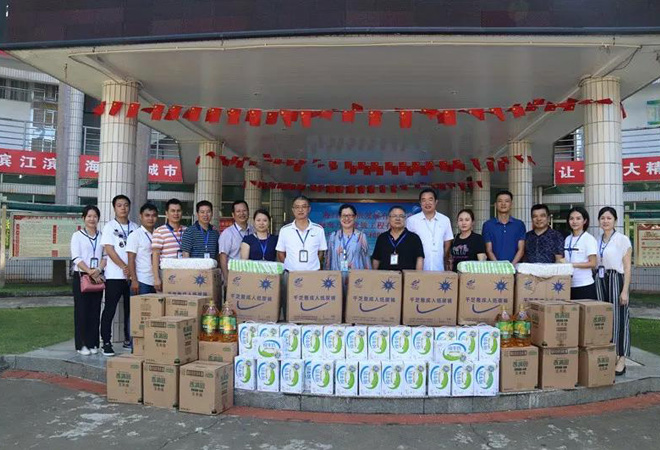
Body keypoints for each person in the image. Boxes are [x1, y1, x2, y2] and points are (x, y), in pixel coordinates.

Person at [595, 207, 632, 376]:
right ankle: (610, 355)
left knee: (619, 318)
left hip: (616, 279)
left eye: (609, 218)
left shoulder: (622, 240)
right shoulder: (598, 240)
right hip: (600, 279)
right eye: (602, 218)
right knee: (605, 318)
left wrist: (625, 291)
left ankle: (622, 357)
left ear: (615, 220)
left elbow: (627, 267)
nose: (605, 221)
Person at [100, 195, 138, 356]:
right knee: (110, 309)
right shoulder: (109, 227)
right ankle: (106, 342)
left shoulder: (135, 227)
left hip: (132, 277)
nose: (123, 208)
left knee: (131, 309)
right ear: (114, 208)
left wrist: (131, 271)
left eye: (126, 205)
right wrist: (124, 266)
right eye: (119, 205)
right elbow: (109, 250)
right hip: (114, 276)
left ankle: (128, 339)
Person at [70, 205, 106, 356]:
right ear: (83, 218)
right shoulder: (77, 236)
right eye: (89, 216)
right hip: (81, 276)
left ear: (98, 219)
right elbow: (76, 257)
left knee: (95, 311)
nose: (92, 219)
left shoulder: (102, 236)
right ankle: (81, 345)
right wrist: (89, 271)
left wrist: (98, 270)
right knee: (82, 311)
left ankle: (93, 343)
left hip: (97, 277)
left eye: (95, 216)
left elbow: (105, 256)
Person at [325, 204, 372, 293]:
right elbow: (328, 260)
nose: (347, 218)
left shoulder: (361, 236)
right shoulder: (333, 236)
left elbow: (366, 261)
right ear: (339, 217)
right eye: (344, 215)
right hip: (336, 281)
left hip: (357, 281)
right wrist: (327, 278)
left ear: (355, 217)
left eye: (350, 215)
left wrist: (368, 279)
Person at [406, 188, 453, 270]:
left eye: (430, 200)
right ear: (420, 203)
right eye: (424, 200)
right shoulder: (411, 221)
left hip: (439, 268)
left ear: (436, 202)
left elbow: (447, 241)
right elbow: (407, 243)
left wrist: (442, 255)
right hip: (417, 269)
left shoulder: (445, 220)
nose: (427, 203)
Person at [276, 195, 327, 271]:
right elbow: (280, 252)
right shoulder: (285, 230)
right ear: (293, 210)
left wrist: (314, 266)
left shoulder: (318, 229)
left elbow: (321, 252)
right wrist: (288, 266)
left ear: (309, 209)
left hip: (313, 273)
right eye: (297, 207)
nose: (300, 210)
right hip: (291, 273)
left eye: (304, 207)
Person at [372, 206, 424, 270]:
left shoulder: (414, 238)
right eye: (394, 216)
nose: (398, 219)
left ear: (405, 219)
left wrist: (417, 275)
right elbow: (376, 259)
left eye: (401, 216)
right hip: (385, 276)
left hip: (406, 275)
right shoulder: (382, 238)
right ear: (389, 219)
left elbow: (419, 259)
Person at [151, 198, 187, 292]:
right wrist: (156, 278)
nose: (176, 214)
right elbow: (155, 255)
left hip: (185, 273)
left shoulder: (187, 231)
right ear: (167, 213)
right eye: (173, 211)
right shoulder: (159, 231)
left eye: (178, 211)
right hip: (166, 273)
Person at [564, 206, 598, 299]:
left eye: (578, 218)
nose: (574, 221)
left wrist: (572, 265)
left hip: (584, 285)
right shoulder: (567, 239)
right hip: (568, 284)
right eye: (571, 218)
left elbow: (593, 263)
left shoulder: (589, 239)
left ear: (585, 221)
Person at [483, 190, 526, 263]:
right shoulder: (488, 225)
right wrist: (499, 266)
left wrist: (511, 266)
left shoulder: (519, 225)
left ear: (511, 204)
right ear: (496, 204)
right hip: (494, 266)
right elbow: (488, 250)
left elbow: (521, 249)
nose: (503, 204)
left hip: (515, 266)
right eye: (500, 201)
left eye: (507, 201)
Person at [127, 203, 158, 295]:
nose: (150, 218)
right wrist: (134, 280)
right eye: (147, 215)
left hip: (157, 280)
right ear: (141, 216)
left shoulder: (159, 233)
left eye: (153, 215)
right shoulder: (135, 235)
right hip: (141, 281)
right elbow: (131, 259)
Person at [219, 200, 253, 282]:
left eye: (244, 210)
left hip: (251, 275)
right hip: (234, 276)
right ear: (233, 215)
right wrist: (227, 279)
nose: (242, 213)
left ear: (248, 212)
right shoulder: (227, 233)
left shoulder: (254, 230)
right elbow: (223, 257)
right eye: (238, 211)